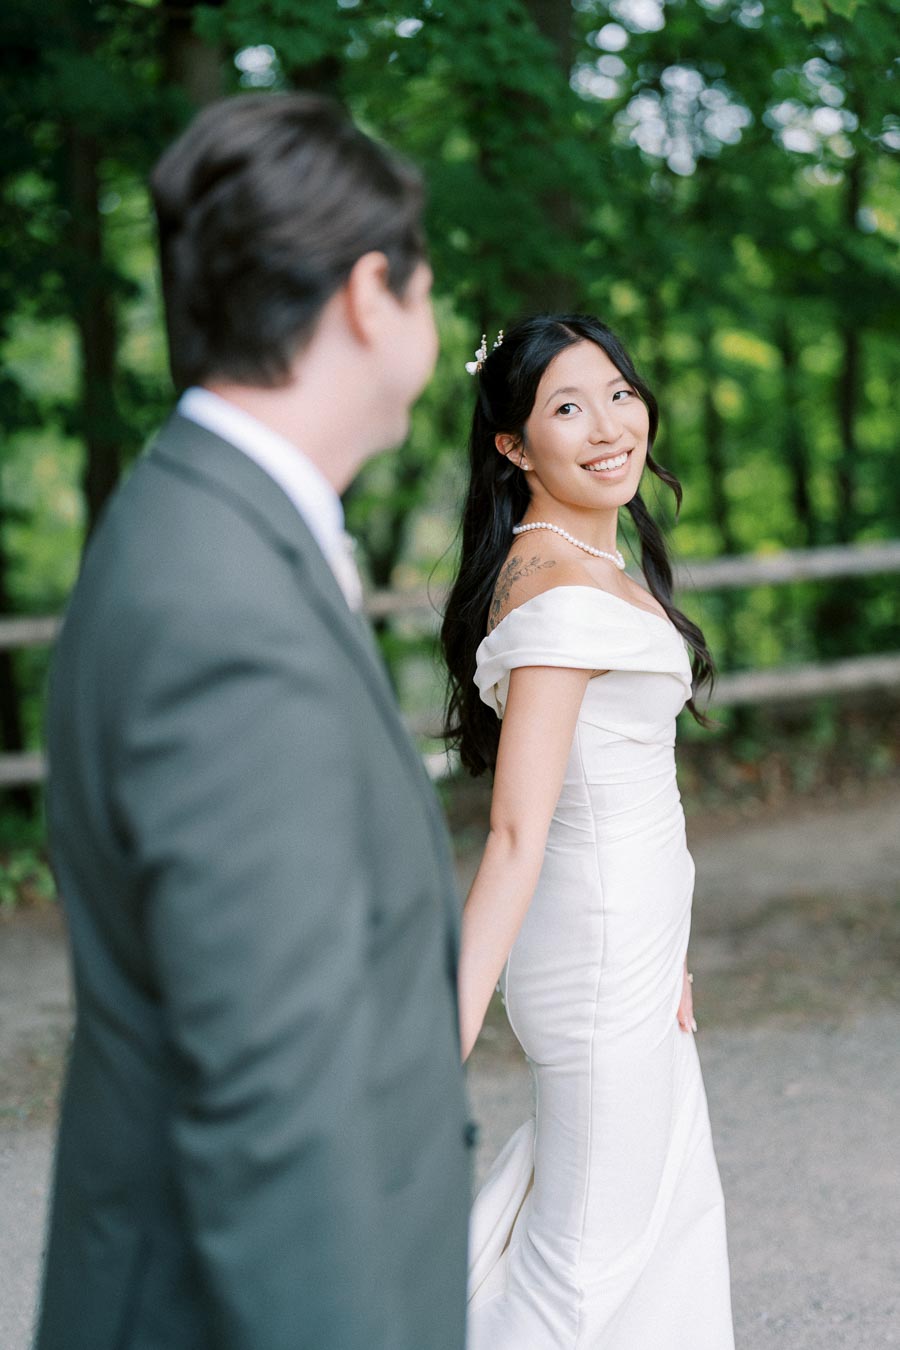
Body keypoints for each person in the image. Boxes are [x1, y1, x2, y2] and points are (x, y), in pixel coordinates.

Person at [36, 93, 473, 1350]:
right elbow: (273, 1099)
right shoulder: (222, 611)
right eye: (429, 288)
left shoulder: (205, 523)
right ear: (369, 295)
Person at [441, 314, 735, 1348]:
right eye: (567, 406)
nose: (609, 424)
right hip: (601, 957)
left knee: (636, 1223)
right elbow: (516, 836)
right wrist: (443, 1035)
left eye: (618, 392)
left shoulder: (580, 559)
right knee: (583, 1269)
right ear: (513, 447)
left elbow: (624, 790)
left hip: (633, 945)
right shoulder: (559, 591)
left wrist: (670, 949)